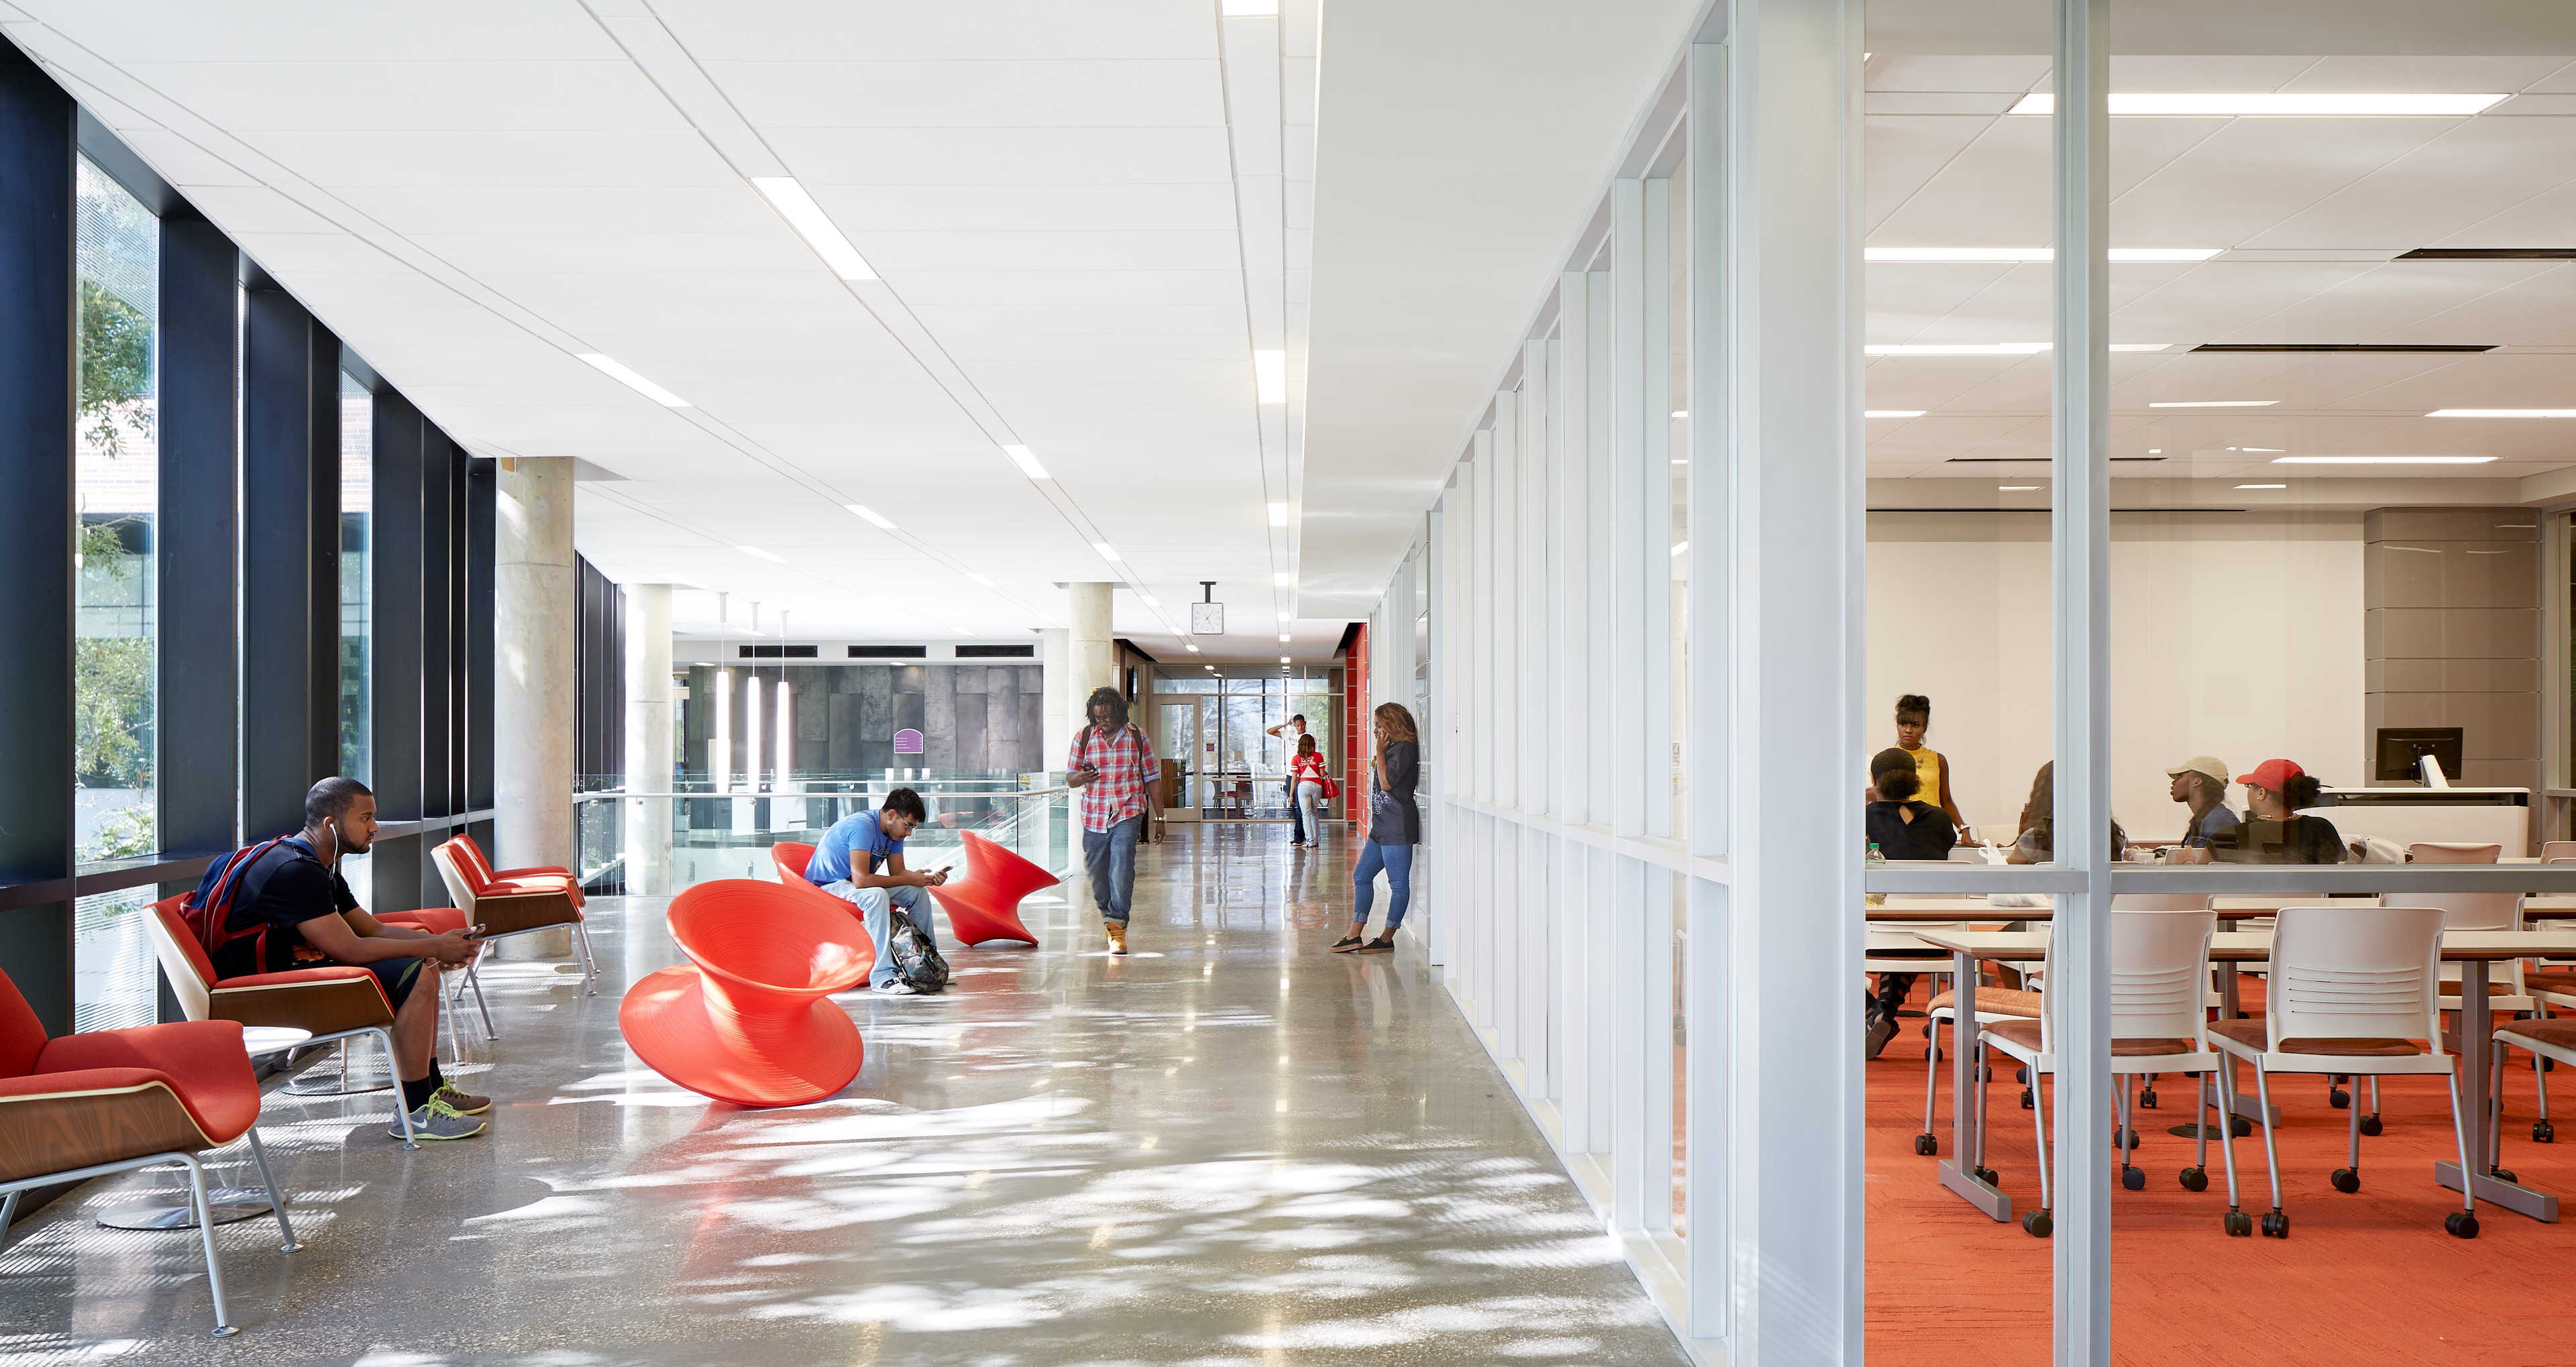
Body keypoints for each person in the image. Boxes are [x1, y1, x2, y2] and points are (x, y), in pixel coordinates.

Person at [215, 777, 489, 1140]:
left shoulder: (317, 865)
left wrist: (435, 943)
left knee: (423, 957)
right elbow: (350, 949)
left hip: (289, 973)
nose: (374, 827)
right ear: (332, 823)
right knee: (417, 968)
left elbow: (371, 930)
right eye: (366, 818)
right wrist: (434, 948)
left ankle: (430, 1089)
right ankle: (415, 1110)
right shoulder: (294, 871)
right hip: (261, 993)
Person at [806, 787, 949, 995]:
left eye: (912, 828)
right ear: (892, 815)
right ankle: (882, 976)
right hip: (826, 885)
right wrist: (910, 878)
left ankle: (927, 966)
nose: (908, 833)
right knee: (876, 896)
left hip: (852, 886)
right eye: (907, 825)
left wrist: (924, 879)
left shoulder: (894, 834)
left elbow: (898, 872)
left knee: (916, 892)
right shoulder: (862, 826)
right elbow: (862, 880)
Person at [1864, 749, 1955, 1057]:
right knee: (1904, 930)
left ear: (1874, 781)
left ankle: (1876, 1012)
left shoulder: (1861, 817)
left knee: (1828, 946)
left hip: (1877, 935)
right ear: (1915, 780)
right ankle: (1883, 1012)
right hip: (1935, 935)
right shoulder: (1941, 818)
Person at [1068, 686, 1163, 954]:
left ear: (1120, 713)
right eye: (1098, 717)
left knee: (1121, 867)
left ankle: (1118, 926)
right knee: (1098, 875)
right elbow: (1070, 778)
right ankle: (1109, 917)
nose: (1103, 722)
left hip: (1128, 811)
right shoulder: (1084, 737)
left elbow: (1152, 778)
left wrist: (1161, 817)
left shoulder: (1137, 738)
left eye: (1107, 717)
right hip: (1094, 814)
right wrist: (1082, 777)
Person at [1335, 702, 1420, 954]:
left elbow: (1386, 784)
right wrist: (1382, 751)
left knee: (1398, 884)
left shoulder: (1403, 749)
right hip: (1381, 827)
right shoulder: (1392, 747)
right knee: (1361, 876)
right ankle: (1354, 936)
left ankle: (1386, 937)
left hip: (1398, 827)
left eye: (1380, 725)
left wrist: (1379, 752)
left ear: (1393, 724)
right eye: (1375, 725)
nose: (1375, 729)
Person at [2210, 759, 2346, 864]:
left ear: (2261, 793)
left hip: (2252, 901)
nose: (2248, 790)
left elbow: (2203, 881)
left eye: (2250, 785)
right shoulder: (2322, 828)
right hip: (2311, 901)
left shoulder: (2229, 835)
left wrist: (2188, 861)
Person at [2002, 761, 2128, 864]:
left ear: (2043, 798)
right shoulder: (2111, 836)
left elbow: (2007, 878)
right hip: (2094, 895)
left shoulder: (2034, 839)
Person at [1893, 694, 1966, 836]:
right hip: (1899, 830)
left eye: (1915, 725)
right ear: (1897, 725)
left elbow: (1946, 800)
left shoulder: (1938, 760)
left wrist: (1963, 828)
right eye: (1904, 724)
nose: (1909, 730)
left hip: (1932, 829)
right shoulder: (1887, 760)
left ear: (1924, 728)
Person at [2165, 755, 2240, 850]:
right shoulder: (2205, 819)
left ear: (2197, 782)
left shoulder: (2218, 819)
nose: (2174, 781)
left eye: (2180, 776)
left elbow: (2214, 864)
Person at [1267, 712, 1317, 845]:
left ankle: (1300, 836)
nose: (1300, 727)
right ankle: (1302, 835)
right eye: (1297, 725)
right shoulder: (1289, 734)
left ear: (1305, 723)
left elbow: (1312, 754)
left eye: (1302, 724)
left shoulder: (1310, 737)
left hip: (1304, 775)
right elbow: (1270, 731)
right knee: (1294, 804)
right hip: (1291, 774)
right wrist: (1285, 725)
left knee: (1303, 807)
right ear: (1294, 725)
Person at [1287, 733, 1330, 849]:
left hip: (1304, 787)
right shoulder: (1318, 756)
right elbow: (1322, 774)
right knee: (1314, 813)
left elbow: (1295, 779)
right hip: (1318, 787)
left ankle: (1310, 841)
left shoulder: (1296, 758)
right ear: (1313, 744)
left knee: (1306, 814)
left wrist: (1291, 795)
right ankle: (1315, 840)